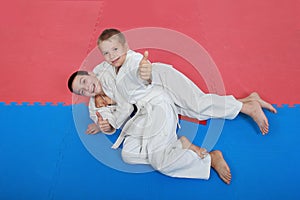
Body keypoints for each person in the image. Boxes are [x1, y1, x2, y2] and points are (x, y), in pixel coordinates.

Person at [67, 29, 276, 184]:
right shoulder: (98, 90)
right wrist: (104, 126)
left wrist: (145, 74)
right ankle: (247, 102)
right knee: (130, 155)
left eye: (85, 82)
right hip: (147, 106)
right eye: (81, 91)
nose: (111, 56)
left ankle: (247, 108)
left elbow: (137, 73)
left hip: (160, 81)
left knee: (197, 105)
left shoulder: (123, 64)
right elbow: (113, 111)